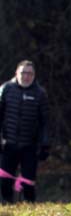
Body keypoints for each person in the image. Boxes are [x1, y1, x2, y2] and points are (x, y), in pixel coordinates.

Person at [0, 60, 49, 203]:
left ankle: (29, 210)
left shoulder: (40, 94)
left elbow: (45, 122)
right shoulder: (5, 89)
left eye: (30, 73)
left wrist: (45, 144)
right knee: (4, 183)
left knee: (28, 185)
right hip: (8, 145)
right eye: (23, 73)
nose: (26, 76)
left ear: (34, 75)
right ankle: (7, 208)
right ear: (16, 73)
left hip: (30, 146)